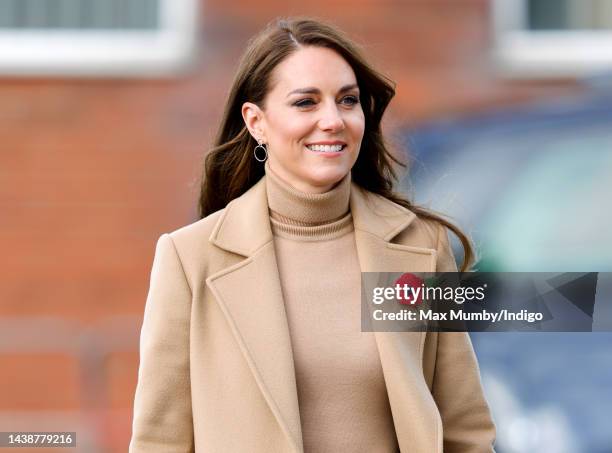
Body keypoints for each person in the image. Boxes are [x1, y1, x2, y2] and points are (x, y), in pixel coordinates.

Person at [129, 17, 496, 453]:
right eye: (306, 102)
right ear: (256, 121)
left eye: (347, 100)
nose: (333, 120)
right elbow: (160, 442)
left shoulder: (420, 245)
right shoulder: (189, 259)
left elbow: (464, 431)